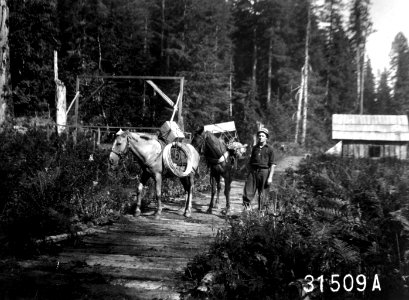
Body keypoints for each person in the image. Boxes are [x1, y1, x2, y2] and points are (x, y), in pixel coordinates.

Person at [242, 127, 275, 210]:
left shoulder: (270, 149)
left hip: (264, 172)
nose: (260, 137)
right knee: (248, 190)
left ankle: (261, 213)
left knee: (263, 193)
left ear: (266, 137)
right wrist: (248, 173)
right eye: (259, 136)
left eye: (263, 136)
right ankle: (247, 210)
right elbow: (250, 161)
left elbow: (272, 164)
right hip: (253, 171)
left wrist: (270, 177)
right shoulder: (254, 148)